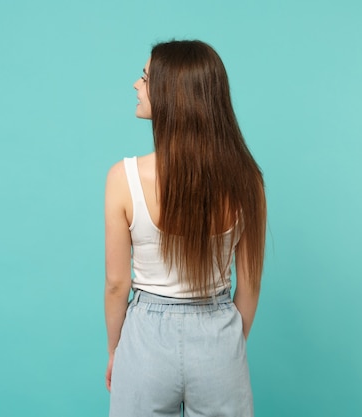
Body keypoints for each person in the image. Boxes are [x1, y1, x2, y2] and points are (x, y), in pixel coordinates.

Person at [104, 40, 266, 417]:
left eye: (144, 77)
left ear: (168, 94)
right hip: (218, 335)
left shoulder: (123, 178)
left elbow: (116, 285)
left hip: (144, 340)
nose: (135, 85)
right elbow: (251, 285)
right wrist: (225, 348)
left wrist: (116, 351)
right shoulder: (248, 180)